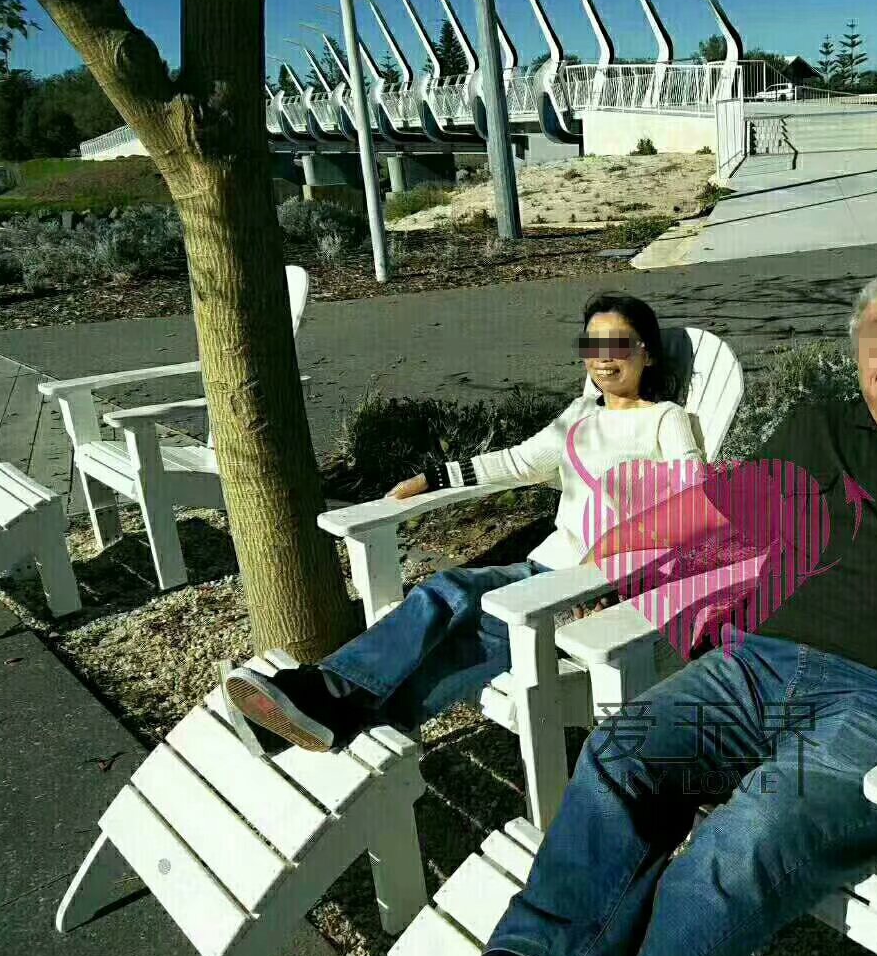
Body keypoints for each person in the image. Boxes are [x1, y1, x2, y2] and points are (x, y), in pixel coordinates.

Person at [329, 274, 877, 956]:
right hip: (756, 664)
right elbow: (717, 506)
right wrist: (613, 558)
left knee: (756, 833)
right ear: (858, 364)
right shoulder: (824, 428)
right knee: (620, 753)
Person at [224, 293, 703, 752]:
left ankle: (323, 696)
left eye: (619, 344)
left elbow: (695, 503)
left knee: (457, 605)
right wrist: (432, 477)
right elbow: (515, 462)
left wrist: (614, 570)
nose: (604, 358)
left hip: (595, 590)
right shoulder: (580, 415)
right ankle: (329, 713)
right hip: (542, 574)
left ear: (647, 354)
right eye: (593, 344)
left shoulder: (665, 419)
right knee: (457, 623)